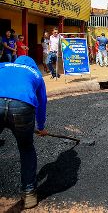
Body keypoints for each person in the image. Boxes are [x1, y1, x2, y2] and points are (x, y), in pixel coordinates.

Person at [0, 56, 48, 209]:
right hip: (22, 106)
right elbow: (42, 102)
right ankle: (29, 194)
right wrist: (40, 126)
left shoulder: (3, 65)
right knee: (26, 148)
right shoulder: (36, 74)